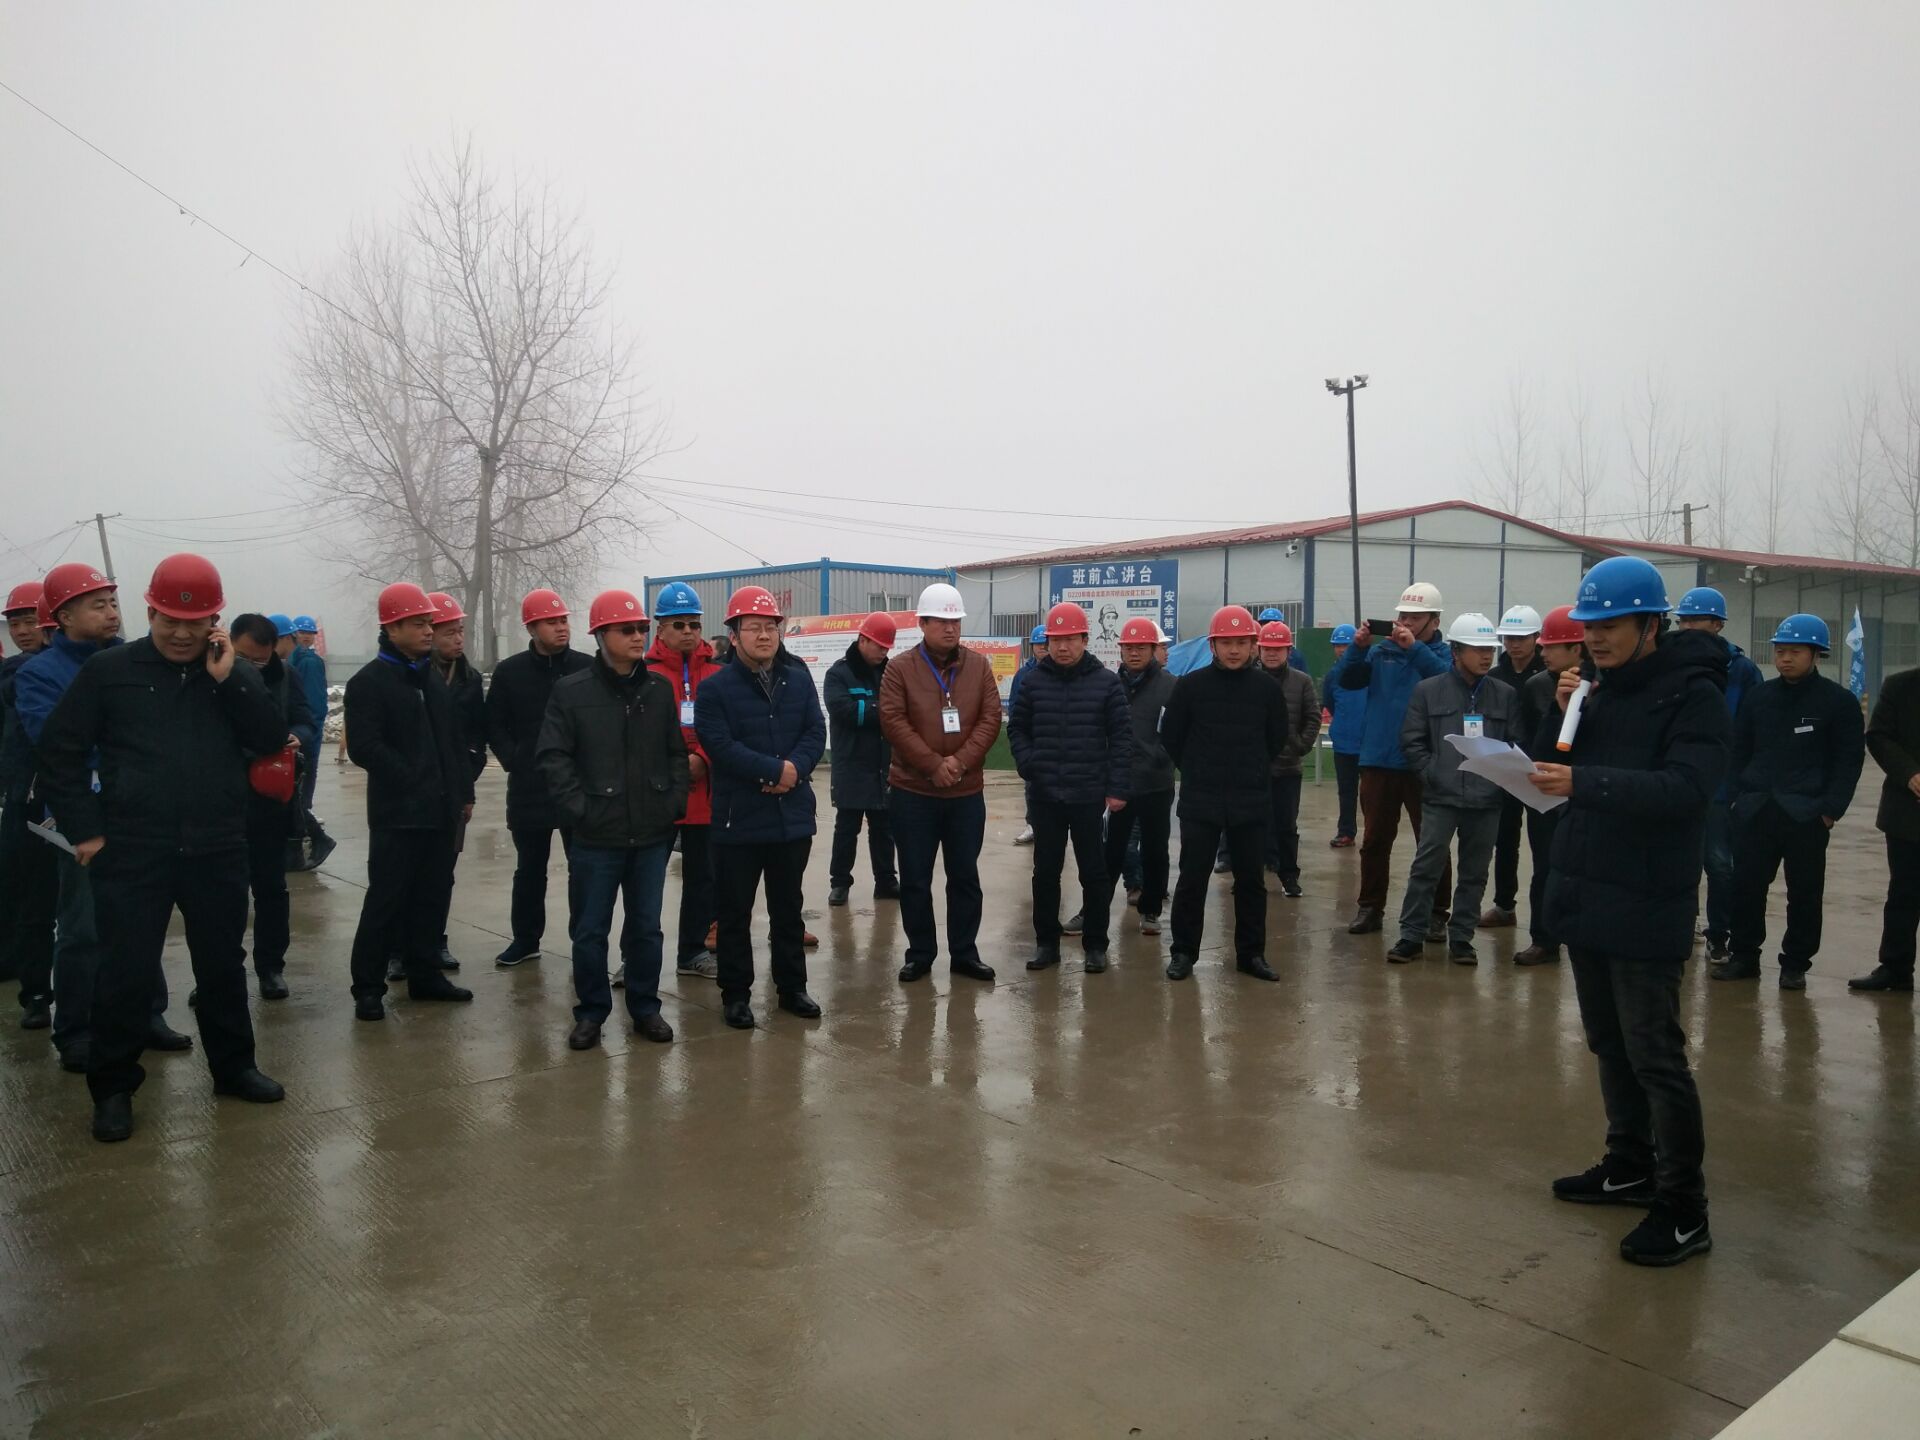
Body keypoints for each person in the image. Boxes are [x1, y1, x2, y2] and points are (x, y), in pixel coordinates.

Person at [36, 554, 290, 1143]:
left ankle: (234, 1068)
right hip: (133, 850)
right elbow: (59, 751)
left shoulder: (230, 673)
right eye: (169, 620)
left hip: (217, 847)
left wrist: (230, 680)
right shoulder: (109, 671)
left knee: (222, 965)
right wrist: (85, 830)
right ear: (149, 613)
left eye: (194, 622)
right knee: (124, 973)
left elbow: (269, 739)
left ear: (214, 621)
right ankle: (113, 1088)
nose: (181, 633)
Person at [1530, 557, 1727, 1267]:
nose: (1595, 638)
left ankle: (1683, 1208)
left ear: (1651, 625)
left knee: (1656, 1057)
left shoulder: (1694, 697)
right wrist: (1563, 718)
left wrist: (1584, 781)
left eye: (1610, 625)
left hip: (1647, 901)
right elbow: (1554, 770)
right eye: (1590, 626)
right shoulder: (1598, 691)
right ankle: (1629, 1163)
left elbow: (1685, 790)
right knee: (1608, 1044)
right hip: (1587, 893)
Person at [17, 561, 191, 1069]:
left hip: (141, 815)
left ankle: (147, 1014)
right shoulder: (40, 674)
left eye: (113, 602)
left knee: (144, 921)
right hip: (83, 819)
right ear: (64, 616)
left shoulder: (136, 661)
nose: (112, 613)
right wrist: (123, 753)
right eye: (97, 605)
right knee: (83, 927)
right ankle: (76, 1029)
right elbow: (56, 743)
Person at [539, 589, 689, 1049]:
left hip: (651, 834)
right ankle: (591, 1013)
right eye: (627, 630)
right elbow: (553, 757)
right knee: (590, 931)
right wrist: (580, 810)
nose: (638, 636)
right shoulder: (572, 692)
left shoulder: (658, 690)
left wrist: (671, 804)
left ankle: (645, 1008)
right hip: (595, 837)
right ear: (602, 635)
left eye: (642, 628)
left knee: (646, 928)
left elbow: (675, 753)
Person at [343, 583, 476, 1021]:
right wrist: (413, 777)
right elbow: (365, 747)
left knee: (431, 899)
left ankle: (426, 976)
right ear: (392, 628)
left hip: (441, 813)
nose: (428, 631)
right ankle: (368, 988)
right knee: (386, 901)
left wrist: (462, 792)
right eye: (418, 624)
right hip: (397, 816)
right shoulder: (369, 683)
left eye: (429, 623)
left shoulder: (430, 679)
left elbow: (453, 742)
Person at [695, 586, 826, 1029]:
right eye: (754, 627)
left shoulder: (798, 678)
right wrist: (773, 771)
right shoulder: (715, 688)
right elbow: (719, 745)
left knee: (788, 909)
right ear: (734, 636)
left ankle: (792, 988)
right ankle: (736, 995)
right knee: (734, 913)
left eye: (771, 626)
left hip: (791, 818)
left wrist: (795, 770)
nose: (765, 635)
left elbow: (815, 731)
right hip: (740, 819)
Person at [1715, 614, 1865, 989]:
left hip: (1806, 814)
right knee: (1746, 887)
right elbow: (1738, 750)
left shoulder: (1837, 702)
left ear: (1816, 654)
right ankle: (1744, 956)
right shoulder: (1759, 697)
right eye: (1780, 651)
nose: (1785, 659)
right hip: (1756, 809)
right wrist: (1736, 798)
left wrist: (1830, 810)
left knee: (1804, 893)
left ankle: (1795, 964)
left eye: (1794, 652)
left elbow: (1848, 761)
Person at [879, 582, 1003, 985]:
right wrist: (933, 765)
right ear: (923, 623)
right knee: (915, 878)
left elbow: (990, 719)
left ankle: (964, 953)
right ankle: (920, 954)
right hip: (913, 793)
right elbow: (893, 721)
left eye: (956, 621)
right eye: (941, 621)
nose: (950, 628)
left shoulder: (979, 667)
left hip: (965, 794)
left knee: (964, 876)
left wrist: (960, 763)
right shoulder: (900, 669)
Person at [1160, 605, 1288, 982]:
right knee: (1192, 879)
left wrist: (1252, 768)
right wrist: (1196, 768)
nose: (1234, 650)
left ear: (1253, 646)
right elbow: (1172, 736)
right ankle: (1183, 952)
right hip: (1201, 799)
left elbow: (1277, 738)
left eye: (1241, 643)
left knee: (1251, 882)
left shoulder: (1266, 689)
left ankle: (1251, 954)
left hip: (1250, 799)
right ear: (1213, 646)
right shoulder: (1190, 686)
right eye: (1226, 642)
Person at [1010, 602, 1130, 974]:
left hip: (1088, 794)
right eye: (1056, 640)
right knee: (1045, 871)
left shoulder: (1106, 682)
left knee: (1093, 871)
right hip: (1045, 794)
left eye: (1070, 639)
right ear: (1047, 642)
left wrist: (1117, 787)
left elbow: (1121, 738)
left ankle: (1096, 944)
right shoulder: (1032, 682)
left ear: (1084, 639)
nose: (1062, 647)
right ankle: (1046, 944)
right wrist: (1029, 763)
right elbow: (1017, 728)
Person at [1388, 614, 1515, 965]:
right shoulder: (1429, 691)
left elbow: (1514, 741)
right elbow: (1412, 740)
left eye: (1490, 649)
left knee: (1475, 872)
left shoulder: (1505, 695)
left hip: (1486, 799)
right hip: (1441, 796)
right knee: (1426, 867)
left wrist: (1499, 780)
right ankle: (1411, 935)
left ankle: (1461, 938)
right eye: (1477, 649)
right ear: (1456, 651)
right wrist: (1432, 774)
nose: (1486, 656)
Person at [1330, 583, 1453, 935]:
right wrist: (1358, 649)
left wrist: (1414, 649)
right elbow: (1346, 680)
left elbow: (1446, 685)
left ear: (1434, 621)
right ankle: (1370, 908)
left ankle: (1436, 913)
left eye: (1416, 617)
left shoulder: (1443, 655)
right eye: (1403, 616)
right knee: (1374, 842)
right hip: (1378, 759)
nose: (1406, 623)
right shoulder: (1380, 651)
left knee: (1432, 843)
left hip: (1424, 763)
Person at [485, 588, 591, 967]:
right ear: (531, 628)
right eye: (551, 622)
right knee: (529, 869)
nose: (561, 627)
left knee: (583, 869)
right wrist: (515, 760)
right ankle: (525, 940)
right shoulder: (510, 673)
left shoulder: (586, 668)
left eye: (563, 620)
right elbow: (494, 724)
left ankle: (585, 940)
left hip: (577, 787)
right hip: (529, 788)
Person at [225, 613, 316, 1001]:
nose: (253, 667)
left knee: (271, 888)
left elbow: (306, 720)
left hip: (269, 800)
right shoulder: (213, 675)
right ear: (230, 643)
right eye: (244, 658)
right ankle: (219, 971)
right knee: (222, 895)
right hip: (221, 801)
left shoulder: (285, 676)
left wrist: (297, 735)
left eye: (261, 660)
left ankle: (271, 967)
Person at [1672, 587, 1764, 961]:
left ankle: (1720, 934)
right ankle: (1681, 925)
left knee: (1721, 865)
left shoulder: (1741, 671)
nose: (1688, 627)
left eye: (1697, 620)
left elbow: (1755, 731)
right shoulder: (1669, 664)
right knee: (1678, 860)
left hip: (1723, 788)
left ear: (1718, 624)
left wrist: (1745, 784)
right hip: (1678, 781)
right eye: (1683, 621)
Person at [644, 581, 722, 981]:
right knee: (645, 881)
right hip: (658, 795)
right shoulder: (644, 675)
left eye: (694, 624)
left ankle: (692, 952)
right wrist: (677, 763)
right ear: (660, 630)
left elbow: (728, 727)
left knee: (702, 879)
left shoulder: (718, 675)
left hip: (705, 795)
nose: (688, 631)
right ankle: (636, 957)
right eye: (679, 625)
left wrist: (704, 758)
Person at [1514, 605, 1585, 966]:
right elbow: (1536, 745)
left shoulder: (1606, 687)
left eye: (1551, 647)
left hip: (1589, 792)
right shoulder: (1537, 686)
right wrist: (1558, 711)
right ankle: (1544, 939)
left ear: (1577, 648)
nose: (1543, 653)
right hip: (1547, 794)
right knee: (1545, 867)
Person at [424, 591, 488, 974]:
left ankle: (436, 941)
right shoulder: (414, 676)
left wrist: (467, 781)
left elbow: (477, 733)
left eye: (461, 631)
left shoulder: (469, 679)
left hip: (455, 793)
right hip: (416, 792)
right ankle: (399, 947)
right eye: (449, 633)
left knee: (442, 873)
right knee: (407, 873)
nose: (458, 639)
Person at [0, 582, 54, 1027]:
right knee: (29, 905)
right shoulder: (10, 676)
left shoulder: (78, 669)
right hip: (23, 805)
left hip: (72, 802)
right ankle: (35, 994)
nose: (21, 630)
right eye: (14, 622)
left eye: (29, 620)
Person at [823, 611, 900, 907]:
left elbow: (899, 710)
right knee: (847, 828)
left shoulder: (890, 672)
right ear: (863, 640)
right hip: (852, 764)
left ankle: (886, 881)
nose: (883, 652)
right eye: (879, 646)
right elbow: (843, 711)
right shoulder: (839, 674)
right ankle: (840, 883)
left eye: (887, 648)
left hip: (883, 764)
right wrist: (882, 710)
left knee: (884, 829)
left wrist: (873, 709)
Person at [1109, 617, 1176, 934]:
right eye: (1129, 648)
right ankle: (1094, 909)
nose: (1134, 653)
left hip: (1155, 782)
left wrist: (1156, 757)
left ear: (1153, 649)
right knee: (1111, 849)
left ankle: (1151, 911)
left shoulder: (1170, 686)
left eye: (1141, 648)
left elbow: (1177, 733)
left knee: (1155, 849)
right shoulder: (1110, 685)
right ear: (1121, 650)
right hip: (1118, 783)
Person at [1856, 662, 1920, 994]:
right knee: (1903, 893)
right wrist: (1909, 774)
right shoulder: (1900, 686)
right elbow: (1878, 736)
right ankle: (1896, 968)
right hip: (1908, 812)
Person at [1480, 604, 1545, 928]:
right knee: (1504, 840)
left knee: (1544, 844)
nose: (1514, 644)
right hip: (1507, 769)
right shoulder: (1494, 677)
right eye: (1508, 638)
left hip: (1542, 769)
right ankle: (1504, 905)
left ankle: (1547, 918)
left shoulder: (1548, 676)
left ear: (1536, 638)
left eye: (1521, 638)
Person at [1256, 619, 1320, 898]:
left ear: (1288, 651)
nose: (1272, 654)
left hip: (1287, 768)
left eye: (1278, 649)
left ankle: (1289, 876)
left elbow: (1313, 717)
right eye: (1267, 648)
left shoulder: (1301, 681)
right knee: (1252, 825)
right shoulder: (1248, 679)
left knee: (1286, 826)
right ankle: (1249, 877)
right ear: (1259, 650)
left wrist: (1300, 745)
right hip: (1254, 769)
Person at [285, 613, 336, 870]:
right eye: (301, 633)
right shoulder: (292, 660)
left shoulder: (308, 662)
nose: (306, 637)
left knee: (297, 796)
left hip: (304, 739)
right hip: (296, 737)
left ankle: (314, 839)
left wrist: (305, 736)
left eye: (310, 633)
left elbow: (314, 705)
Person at [1323, 623, 1366, 848]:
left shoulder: (1369, 671)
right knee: (1346, 791)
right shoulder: (1333, 676)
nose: (1341, 650)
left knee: (1371, 795)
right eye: (1337, 645)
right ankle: (1346, 832)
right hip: (1343, 743)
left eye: (1346, 645)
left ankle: (1374, 833)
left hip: (1368, 744)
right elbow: (1329, 703)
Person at [1009, 622, 1046, 846]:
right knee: (1031, 786)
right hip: (1032, 741)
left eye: (1045, 643)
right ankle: (1032, 825)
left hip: (1053, 740)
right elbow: (1015, 708)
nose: (1042, 647)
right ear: (1031, 646)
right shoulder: (1023, 675)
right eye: (1038, 644)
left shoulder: (1061, 672)